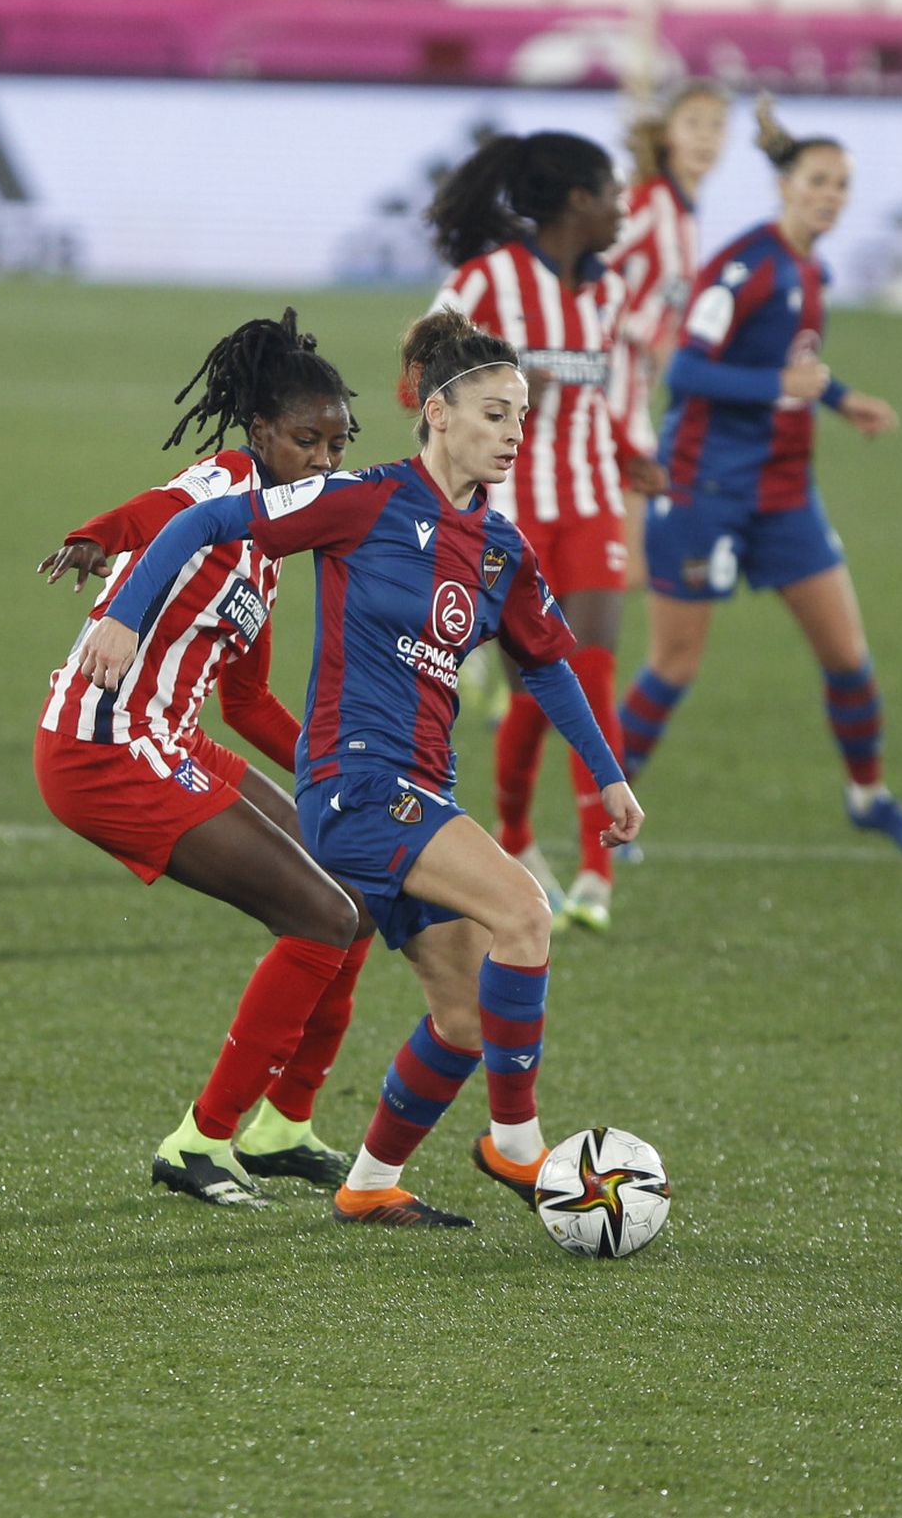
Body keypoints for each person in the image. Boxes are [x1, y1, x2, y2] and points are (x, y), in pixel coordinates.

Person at [76, 313, 645, 1228]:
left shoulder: (502, 552)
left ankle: (370, 1181)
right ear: (439, 410)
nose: (511, 434)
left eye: (522, 418)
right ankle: (518, 1141)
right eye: (495, 414)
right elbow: (212, 521)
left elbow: (548, 666)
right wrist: (126, 616)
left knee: (464, 1018)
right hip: (358, 786)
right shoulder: (367, 500)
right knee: (526, 913)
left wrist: (608, 777)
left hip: (423, 791)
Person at [35, 310, 376, 1210]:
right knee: (317, 915)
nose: (324, 461)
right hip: (103, 748)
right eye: (306, 440)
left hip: (171, 738)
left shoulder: (271, 536)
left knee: (358, 891)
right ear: (261, 432)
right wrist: (97, 533)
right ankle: (200, 1140)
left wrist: (332, 764)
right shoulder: (220, 487)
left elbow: (246, 701)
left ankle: (283, 1126)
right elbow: (157, 512)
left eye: (337, 444)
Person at [617, 99, 902, 858]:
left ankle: (869, 795)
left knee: (848, 656)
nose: (831, 195)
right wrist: (784, 387)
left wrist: (839, 398)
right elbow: (690, 370)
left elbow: (792, 370)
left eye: (842, 185)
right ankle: (611, 810)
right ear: (787, 186)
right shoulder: (745, 266)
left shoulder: (810, 268)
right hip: (703, 488)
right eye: (820, 180)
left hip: (785, 495)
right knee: (674, 663)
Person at [426, 131, 666, 935]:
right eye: (612, 194)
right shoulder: (485, 282)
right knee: (546, 680)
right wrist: (492, 399)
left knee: (589, 665)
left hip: (593, 496)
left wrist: (634, 455)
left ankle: (596, 863)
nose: (623, 210)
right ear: (576, 201)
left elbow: (603, 399)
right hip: (512, 509)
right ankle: (521, 834)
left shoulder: (606, 292)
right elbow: (416, 382)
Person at [607, 79, 731, 591]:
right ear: (667, 134)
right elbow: (583, 270)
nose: (706, 137)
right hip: (602, 397)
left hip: (632, 397)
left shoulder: (684, 213)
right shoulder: (648, 204)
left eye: (717, 126)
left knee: (613, 570)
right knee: (620, 568)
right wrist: (643, 333)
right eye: (693, 123)